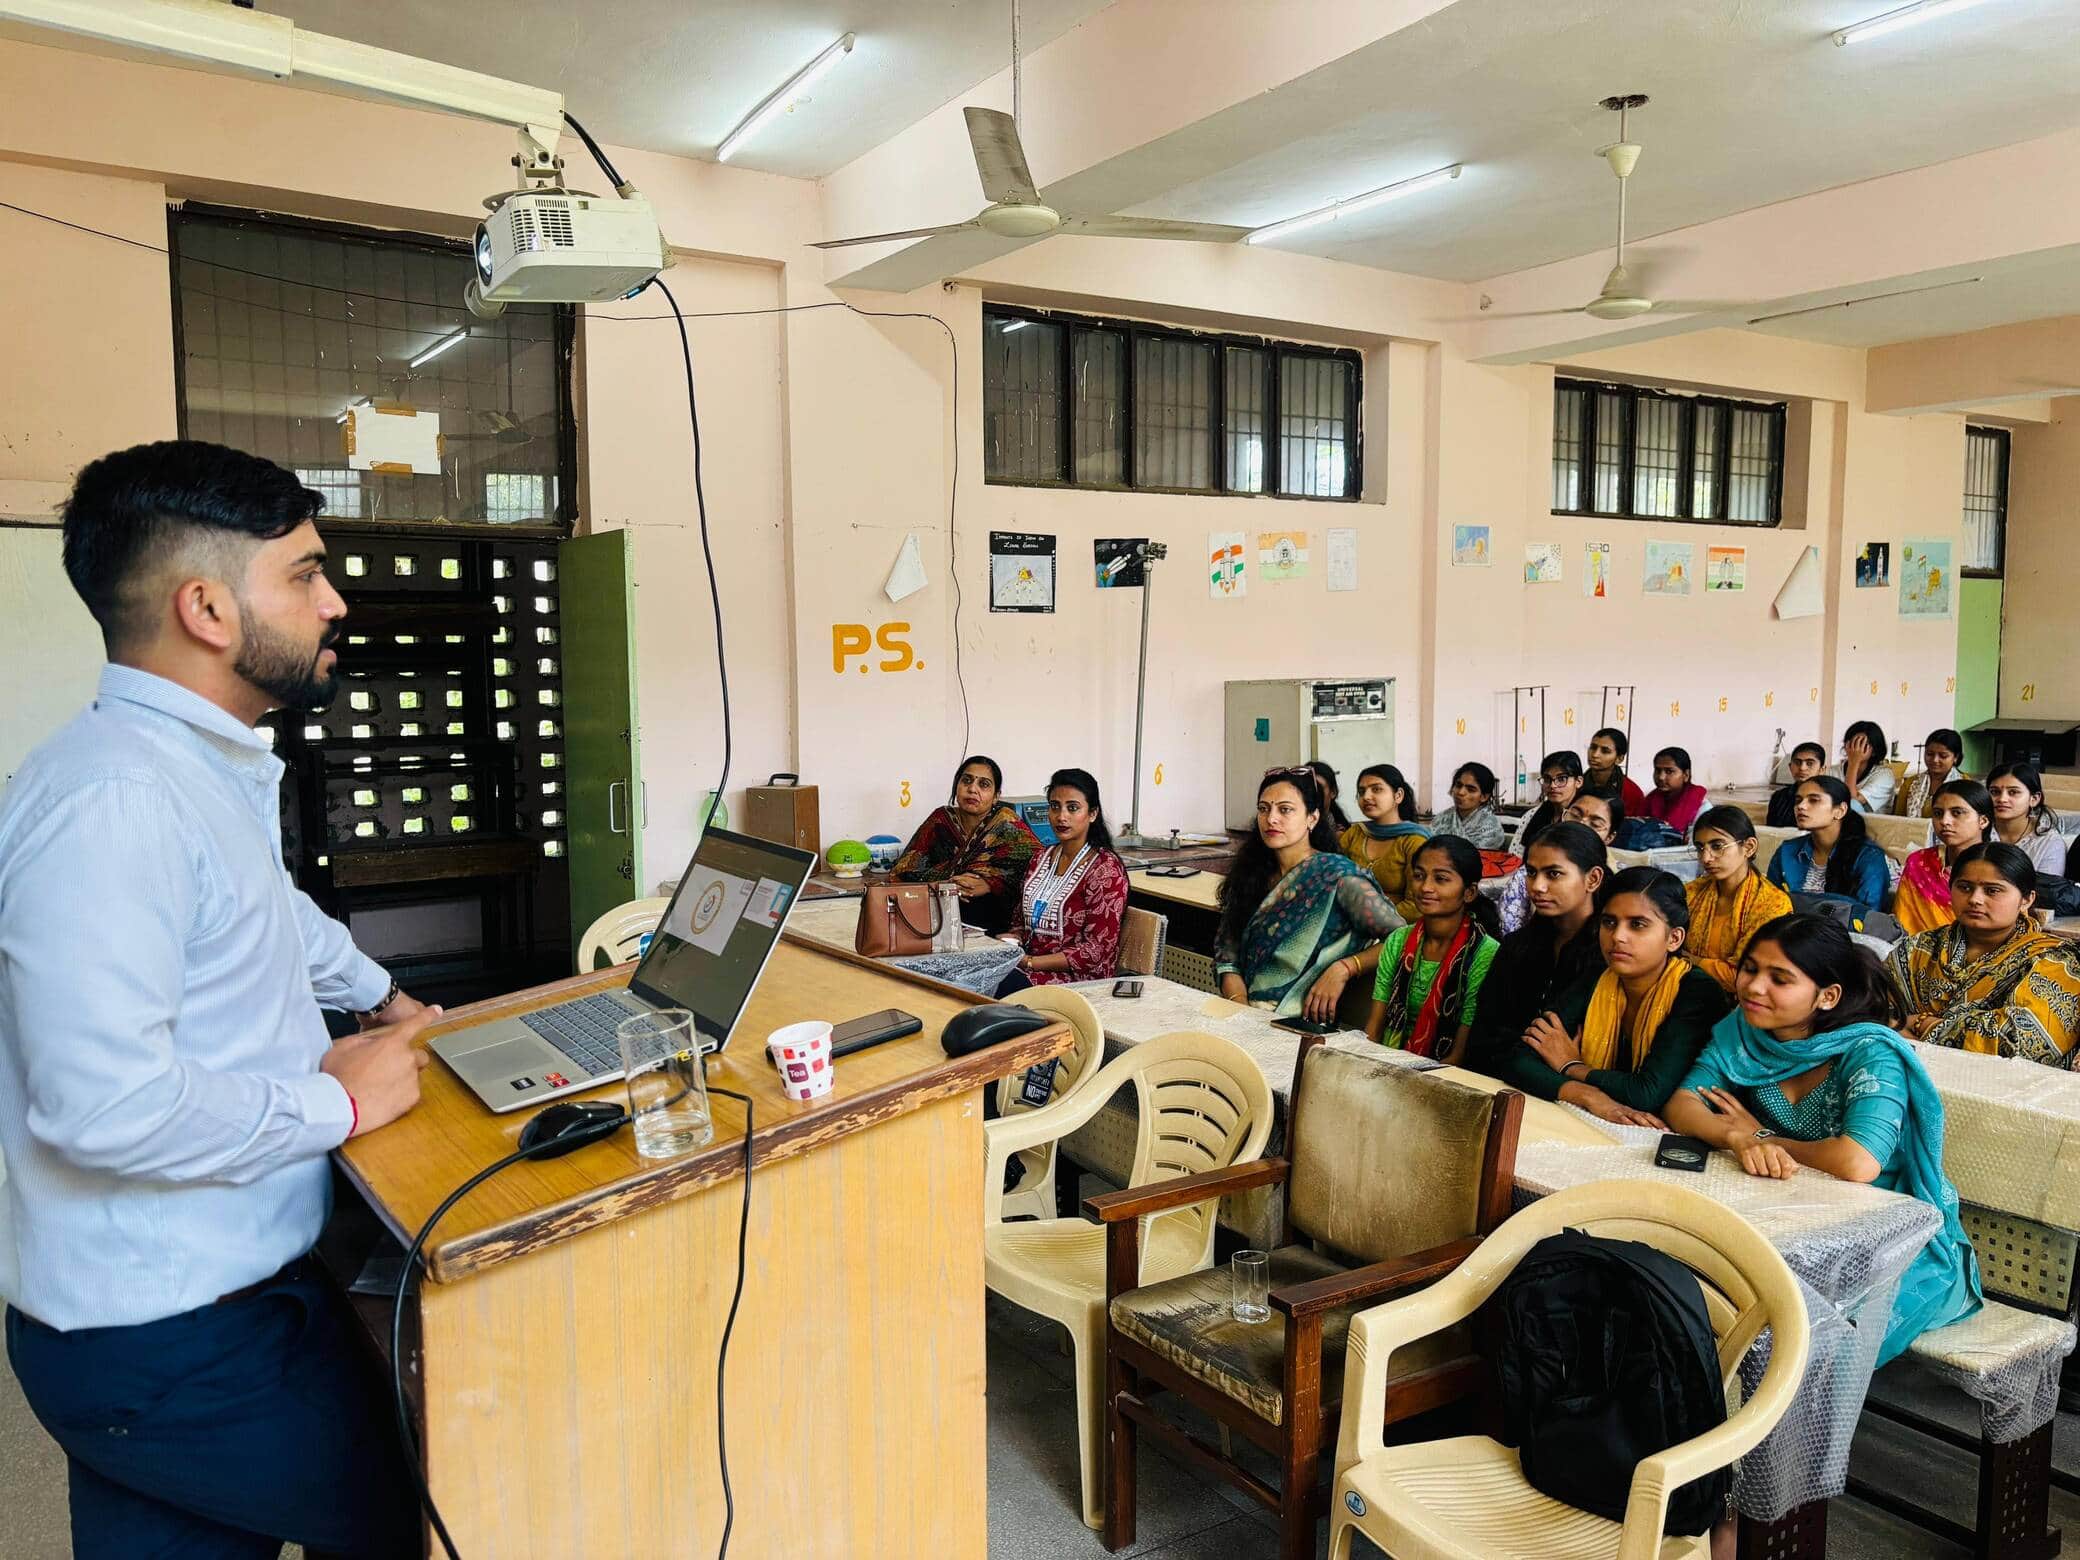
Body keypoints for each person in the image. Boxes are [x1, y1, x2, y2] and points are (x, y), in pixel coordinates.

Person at [0, 441, 436, 1557]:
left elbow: (265, 914)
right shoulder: (114, 806)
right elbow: (102, 1107)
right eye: (304, 575)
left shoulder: (181, 770)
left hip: (176, 1317)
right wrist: (337, 1106)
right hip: (177, 1339)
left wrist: (383, 999)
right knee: (432, 1510)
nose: (335, 602)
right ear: (206, 607)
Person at [1664, 915, 1982, 1366]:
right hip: (1790, 1208)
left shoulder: (1869, 1052)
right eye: (1750, 968)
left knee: (1796, 1344)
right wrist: (1737, 1136)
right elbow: (1682, 1105)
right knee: (1700, 1296)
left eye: (1780, 979)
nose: (1754, 987)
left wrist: (1762, 1135)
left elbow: (1858, 1163)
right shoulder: (1745, 1032)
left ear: (1827, 996)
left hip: (1886, 1235)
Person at [1498, 868, 1730, 1127]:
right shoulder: (1600, 976)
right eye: (1609, 922)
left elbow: (1646, 1094)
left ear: (1674, 938)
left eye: (1638, 925)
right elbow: (1518, 1059)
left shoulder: (1696, 992)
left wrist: (1571, 1066)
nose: (1617, 936)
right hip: (1600, 1122)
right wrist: (1585, 1094)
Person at [1214, 767, 1404, 1019]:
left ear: (1312, 818)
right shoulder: (1251, 874)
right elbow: (1228, 950)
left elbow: (1402, 938)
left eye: (1285, 809)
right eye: (1263, 808)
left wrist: (1345, 968)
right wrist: (1240, 1005)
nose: (1271, 818)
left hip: (1300, 1022)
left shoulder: (1337, 877)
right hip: (1243, 1014)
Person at [1887, 844, 2080, 1066]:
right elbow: (1868, 1008)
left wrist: (1923, 1024)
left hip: (2002, 1093)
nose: (1975, 899)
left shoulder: (2054, 961)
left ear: (2026, 899)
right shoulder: (1918, 948)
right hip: (1905, 1070)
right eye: (1965, 887)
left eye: (1992, 890)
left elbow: (2024, 1044)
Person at [1466, 823, 1610, 1077]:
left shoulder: (1607, 955)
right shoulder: (1517, 946)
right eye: (1532, 873)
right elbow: (1483, 1035)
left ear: (1593, 879)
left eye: (1553, 874)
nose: (1537, 886)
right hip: (1502, 1077)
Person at [1364, 835, 1502, 1061]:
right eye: (1419, 876)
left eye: (1441, 879)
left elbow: (1458, 1055)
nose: (1425, 887)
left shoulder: (1484, 952)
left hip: (1445, 1072)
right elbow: (1374, 1028)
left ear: (1469, 892)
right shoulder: (1399, 940)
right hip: (1388, 1058)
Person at [996, 768, 1129, 994]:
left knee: (998, 986)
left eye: (1073, 808)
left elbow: (1095, 950)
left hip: (1080, 979)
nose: (1061, 816)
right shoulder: (1041, 859)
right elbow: (1020, 920)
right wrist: (1012, 939)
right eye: (1055, 806)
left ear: (1093, 813)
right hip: (1027, 964)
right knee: (970, 975)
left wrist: (1029, 962)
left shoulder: (1105, 869)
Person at [887, 754, 1040, 935]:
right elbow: (904, 871)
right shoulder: (940, 821)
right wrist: (946, 885)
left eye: (984, 785)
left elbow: (1038, 871)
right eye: (966, 781)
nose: (973, 789)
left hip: (995, 927)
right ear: (956, 786)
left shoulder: (1006, 824)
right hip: (935, 924)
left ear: (996, 796)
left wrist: (991, 883)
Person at [1685, 805, 1795, 993]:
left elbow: (1745, 976)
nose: (1706, 858)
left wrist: (1692, 961)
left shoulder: (1772, 904)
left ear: (1749, 847)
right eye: (1700, 848)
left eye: (1717, 846)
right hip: (1684, 991)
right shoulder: (1690, 893)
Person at [1766, 775, 1890, 918]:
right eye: (1798, 800)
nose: (1801, 806)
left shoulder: (1868, 857)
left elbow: (1869, 918)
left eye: (1813, 800)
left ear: (1840, 810)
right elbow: (1770, 903)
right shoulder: (1787, 851)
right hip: (1787, 933)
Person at [1893, 779, 1995, 934]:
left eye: (1957, 813)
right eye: (1938, 813)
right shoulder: (1919, 863)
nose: (1944, 821)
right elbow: (1903, 926)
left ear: (1983, 820)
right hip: (1919, 951)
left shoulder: (2000, 868)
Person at [1338, 763, 1428, 921]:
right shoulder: (1355, 834)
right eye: (1361, 791)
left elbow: (1416, 905)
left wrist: (1372, 918)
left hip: (1397, 927)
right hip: (1348, 920)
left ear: (1398, 795)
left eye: (1376, 789)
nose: (1366, 796)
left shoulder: (1413, 841)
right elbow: (1333, 879)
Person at [1985, 762, 2068, 879]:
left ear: (2034, 799)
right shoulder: (1978, 828)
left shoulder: (2049, 843)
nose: (2002, 799)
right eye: (1994, 792)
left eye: (2013, 792)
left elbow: (2046, 891)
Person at [1429, 761, 1507, 849]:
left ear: (1484, 797)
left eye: (1471, 790)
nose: (1461, 792)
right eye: (1458, 785)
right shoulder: (1440, 819)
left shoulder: (1491, 829)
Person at [1896, 728, 1969, 819]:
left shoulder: (1966, 785)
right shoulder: (1911, 784)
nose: (1935, 760)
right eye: (1930, 754)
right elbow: (1898, 820)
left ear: (1956, 757)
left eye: (1943, 756)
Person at [1518, 751, 1584, 849]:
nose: (1552, 785)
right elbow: (1515, 856)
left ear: (1578, 781)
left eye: (1561, 779)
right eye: (1547, 779)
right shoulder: (1531, 815)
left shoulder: (1584, 819)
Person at [1641, 746, 1709, 838]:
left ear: (1686, 775)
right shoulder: (1650, 801)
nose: (1661, 777)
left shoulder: (1702, 808)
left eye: (1669, 771)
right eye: (1658, 770)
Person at [1832, 719, 1896, 815]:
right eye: (1853, 743)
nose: (1856, 749)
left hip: (1871, 827)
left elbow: (1851, 803)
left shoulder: (1884, 775)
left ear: (1874, 750)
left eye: (1862, 744)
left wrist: (1854, 763)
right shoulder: (1832, 771)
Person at [1582, 726, 1648, 817]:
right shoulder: (1576, 784)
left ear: (1619, 759)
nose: (1595, 755)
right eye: (1593, 748)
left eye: (1605, 751)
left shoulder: (1631, 792)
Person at [1768, 741, 1827, 828]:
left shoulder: (1829, 798)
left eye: (1809, 763)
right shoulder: (1778, 797)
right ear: (1790, 767)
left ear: (1822, 769)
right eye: (1797, 762)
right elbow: (1771, 832)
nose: (1802, 768)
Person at [1307, 759, 1352, 834]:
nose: (1313, 792)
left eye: (1319, 787)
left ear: (1333, 792)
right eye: (1307, 787)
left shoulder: (1344, 835)